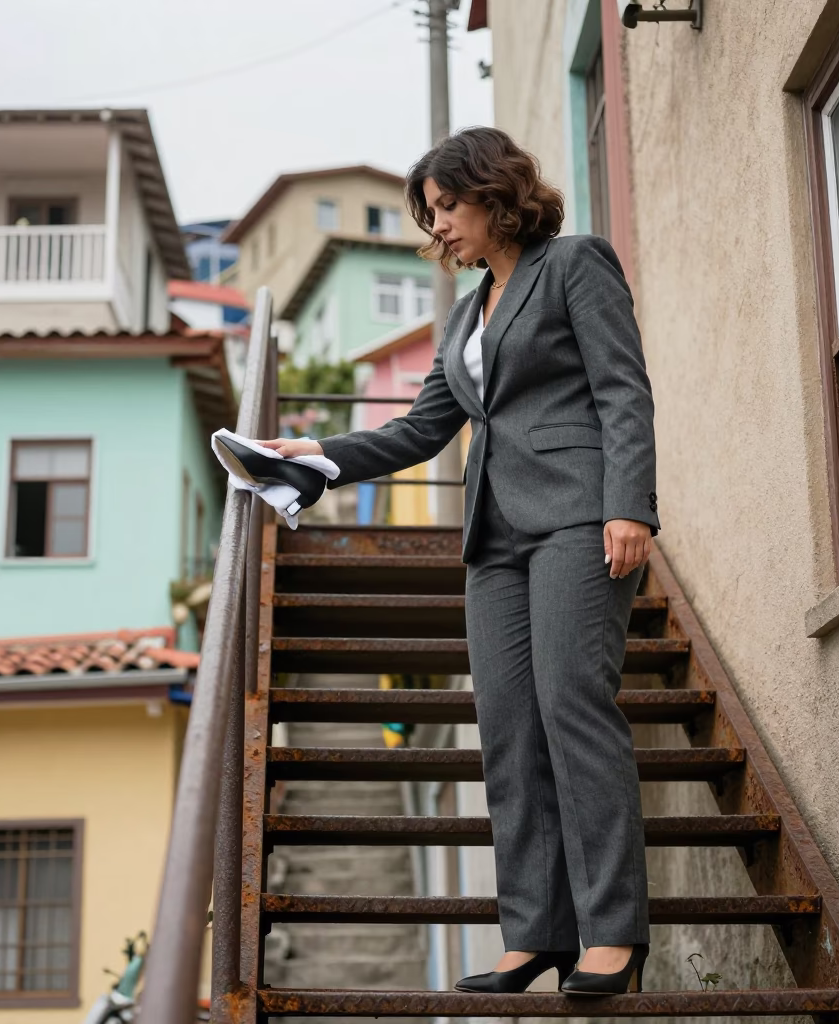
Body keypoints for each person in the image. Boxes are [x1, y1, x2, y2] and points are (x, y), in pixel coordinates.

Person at [259, 126, 660, 997]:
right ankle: (536, 933)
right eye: (429, 214)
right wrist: (317, 454)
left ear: (494, 194)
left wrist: (630, 503)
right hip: (495, 537)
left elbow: (623, 389)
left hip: (578, 515)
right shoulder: (463, 315)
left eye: (446, 207)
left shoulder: (574, 264)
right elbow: (421, 430)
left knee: (572, 707)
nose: (436, 227)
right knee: (508, 730)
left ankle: (613, 934)